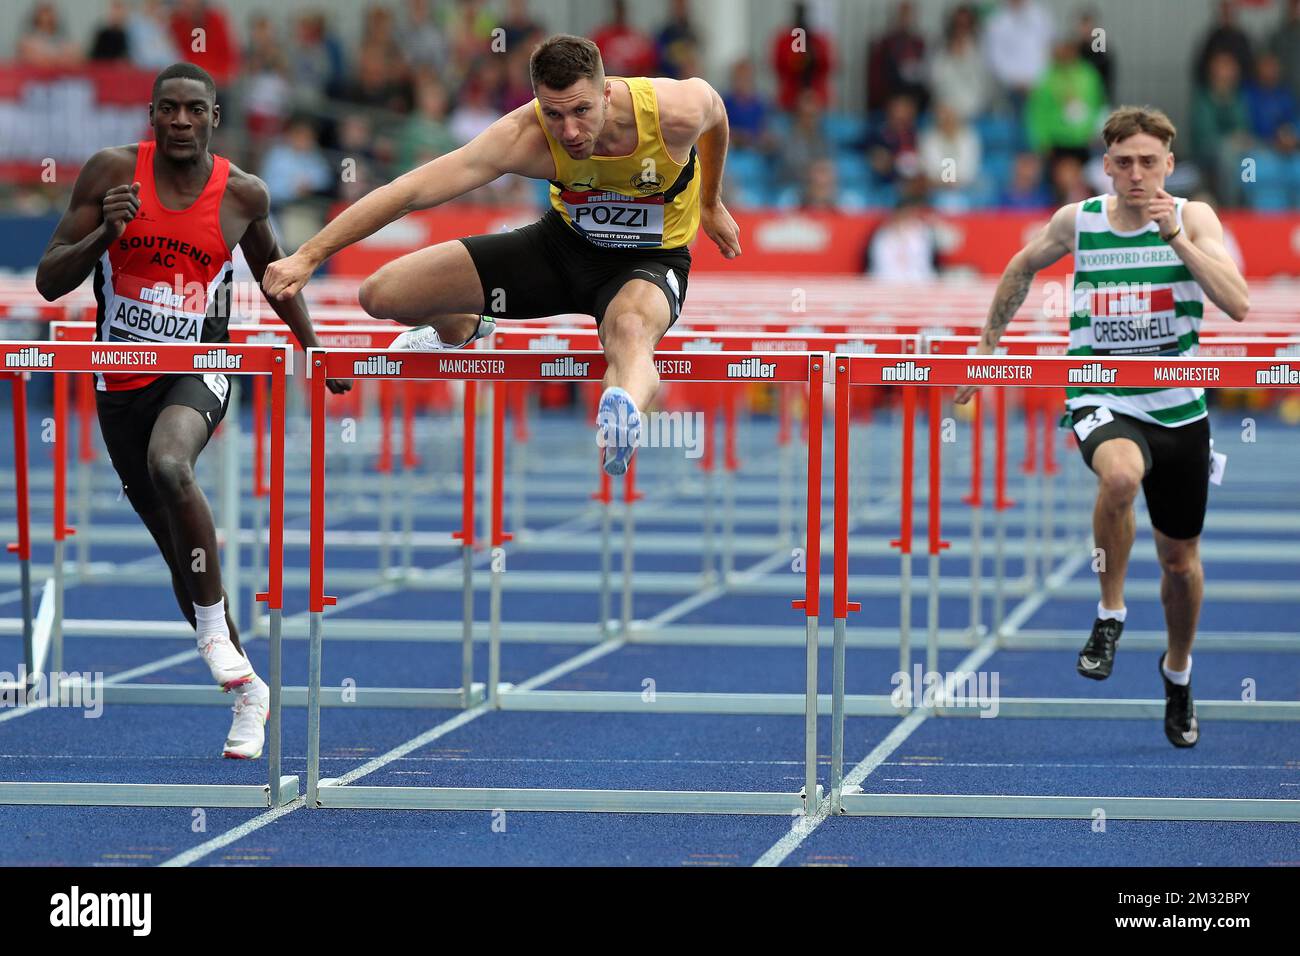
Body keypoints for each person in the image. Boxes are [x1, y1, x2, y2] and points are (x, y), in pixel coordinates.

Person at [34, 63, 350, 760]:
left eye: (194, 110)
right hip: (120, 381)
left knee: (171, 466)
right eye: (168, 109)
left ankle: (214, 637)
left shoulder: (242, 193)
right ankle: (248, 691)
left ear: (213, 118)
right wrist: (102, 238)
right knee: (180, 551)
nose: (180, 120)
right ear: (152, 116)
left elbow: (278, 278)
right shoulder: (109, 174)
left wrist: (315, 348)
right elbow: (50, 281)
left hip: (200, 366)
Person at [263, 35, 740, 477]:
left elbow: (716, 115)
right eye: (553, 115)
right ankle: (462, 327)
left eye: (581, 110)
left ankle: (623, 414)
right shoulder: (522, 134)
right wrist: (308, 255)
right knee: (381, 294)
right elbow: (410, 190)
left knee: (630, 330)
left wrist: (711, 203)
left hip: (650, 262)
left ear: (608, 93)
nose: (569, 130)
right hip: (561, 249)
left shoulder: (673, 111)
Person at [955, 106, 1250, 749]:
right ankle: (1109, 614)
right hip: (1102, 391)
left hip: (1179, 408)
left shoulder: (1195, 217)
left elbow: (1238, 303)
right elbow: (1021, 267)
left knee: (1180, 564)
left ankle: (1177, 672)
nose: (1136, 175)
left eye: (1149, 162)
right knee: (1118, 476)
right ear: (1105, 166)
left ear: (1169, 164)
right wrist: (986, 347)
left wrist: (1176, 237)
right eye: (1123, 163)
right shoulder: (1080, 221)